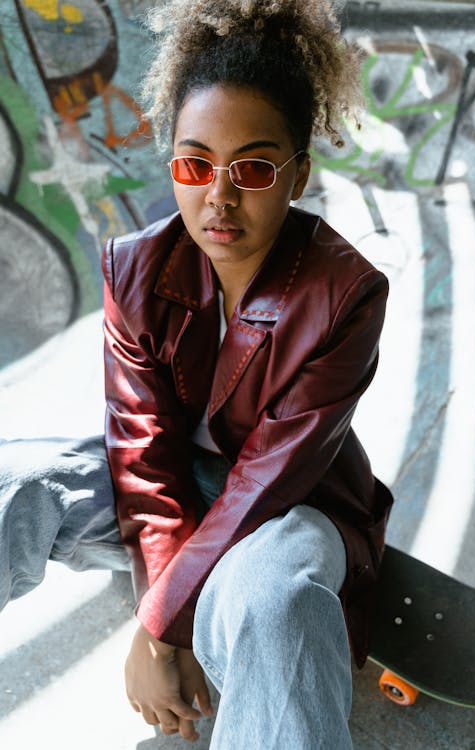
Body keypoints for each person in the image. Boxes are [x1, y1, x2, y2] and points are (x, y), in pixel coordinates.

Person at [0, 1, 394, 747]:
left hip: (290, 512)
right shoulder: (138, 267)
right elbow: (144, 457)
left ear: (297, 174)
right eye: (194, 163)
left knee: (273, 601)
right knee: (13, 483)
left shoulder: (346, 294)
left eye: (251, 167)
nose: (218, 195)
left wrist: (158, 626)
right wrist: (167, 623)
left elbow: (265, 484)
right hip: (182, 489)